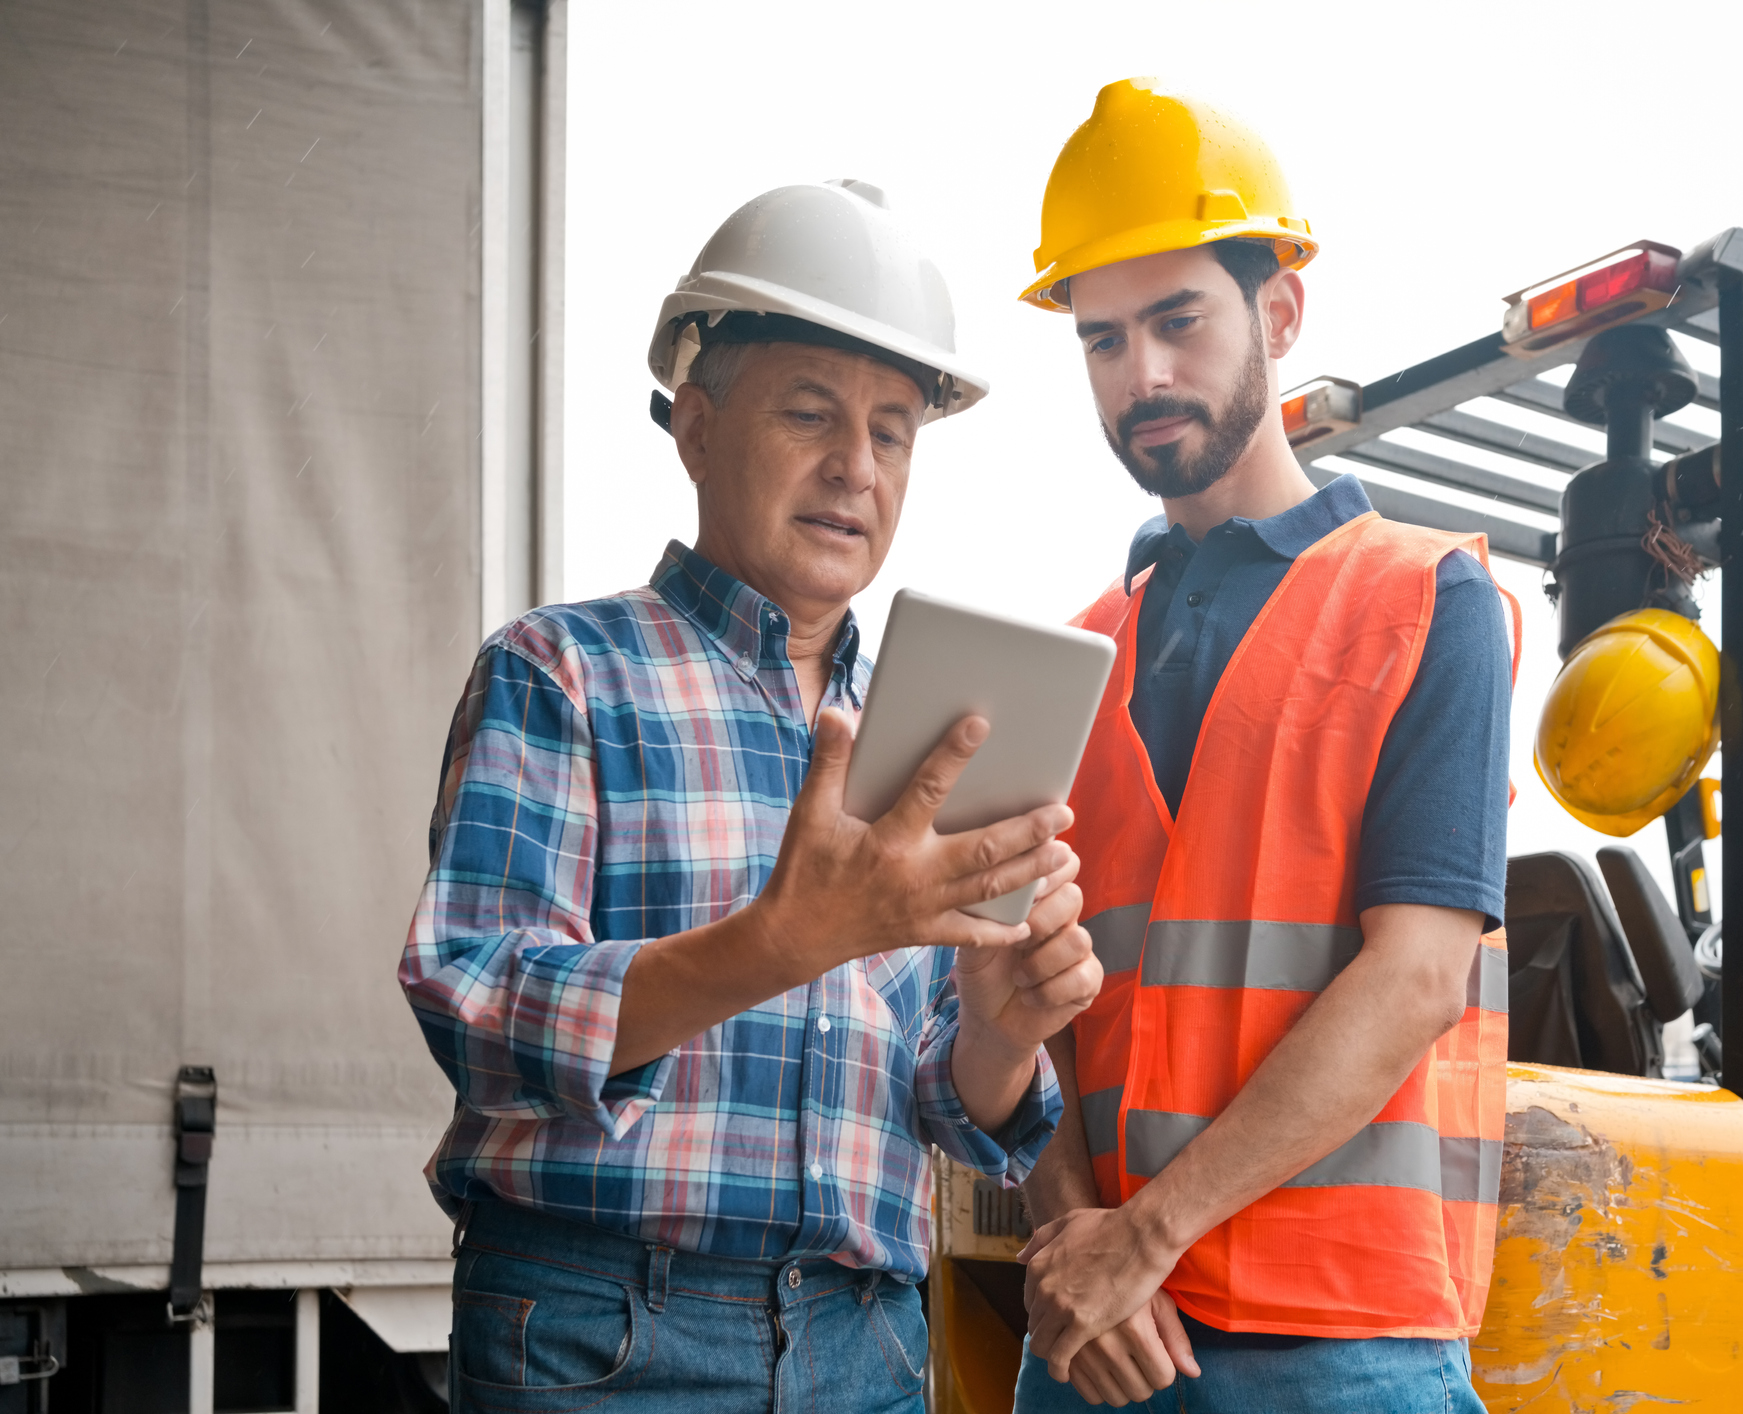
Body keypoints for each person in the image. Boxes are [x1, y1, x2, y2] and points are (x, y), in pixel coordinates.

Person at [400, 179, 1102, 1412]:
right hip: (602, 1336)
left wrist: (1000, 1029)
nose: (854, 467)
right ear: (697, 428)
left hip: (866, 1343)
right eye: (809, 413)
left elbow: (943, 1098)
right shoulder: (563, 673)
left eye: (891, 432)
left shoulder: (935, 730)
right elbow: (478, 1004)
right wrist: (776, 946)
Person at [1010, 81, 1516, 1412]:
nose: (1145, 375)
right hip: (1104, 1340)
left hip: (1340, 1337)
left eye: (1179, 322)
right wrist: (1077, 1244)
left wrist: (1144, 1233)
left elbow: (1415, 978)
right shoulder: (1069, 655)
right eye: (1105, 340)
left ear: (1279, 314)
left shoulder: (1428, 601)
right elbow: (1027, 1009)